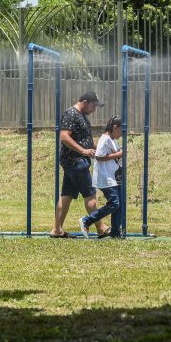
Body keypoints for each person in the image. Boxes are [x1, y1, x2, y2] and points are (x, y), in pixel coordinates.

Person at [50, 91, 108, 238]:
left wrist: (96, 149)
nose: (94, 109)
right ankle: (101, 227)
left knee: (66, 196)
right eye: (94, 106)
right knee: (90, 195)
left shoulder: (80, 115)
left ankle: (57, 230)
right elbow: (63, 137)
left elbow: (83, 138)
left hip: (75, 162)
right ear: (86, 102)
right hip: (76, 162)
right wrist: (83, 151)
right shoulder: (71, 114)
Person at [79, 115, 123, 239]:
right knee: (114, 203)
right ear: (115, 127)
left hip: (114, 177)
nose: (121, 134)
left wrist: (118, 154)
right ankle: (87, 220)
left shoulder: (113, 139)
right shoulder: (105, 139)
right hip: (106, 178)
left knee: (119, 205)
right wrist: (118, 154)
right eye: (121, 130)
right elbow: (98, 156)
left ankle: (115, 233)